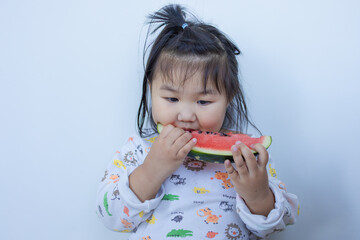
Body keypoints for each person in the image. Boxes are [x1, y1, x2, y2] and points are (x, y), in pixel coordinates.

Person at [96, 4, 298, 239]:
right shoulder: (136, 152)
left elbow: (276, 226)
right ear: (151, 90)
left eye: (203, 102)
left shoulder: (247, 157)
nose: (186, 115)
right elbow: (109, 216)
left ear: (227, 99)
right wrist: (152, 170)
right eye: (171, 98)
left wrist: (258, 195)